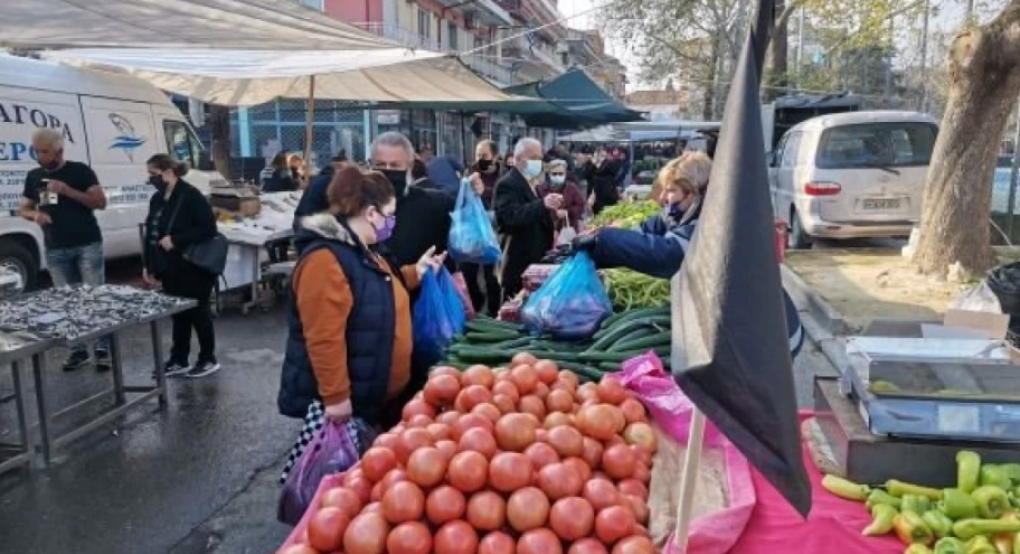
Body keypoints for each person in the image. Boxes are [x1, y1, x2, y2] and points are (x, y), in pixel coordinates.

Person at [277, 165, 445, 482]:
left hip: (371, 397)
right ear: (371, 213)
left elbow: (379, 288)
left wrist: (417, 272)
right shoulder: (325, 261)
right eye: (390, 215)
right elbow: (324, 338)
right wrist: (337, 399)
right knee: (339, 486)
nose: (392, 223)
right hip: (348, 404)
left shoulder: (366, 249)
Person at [572, 152, 805, 359]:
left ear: (694, 192)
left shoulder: (715, 222)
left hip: (765, 335)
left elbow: (667, 254)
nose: (663, 197)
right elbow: (650, 230)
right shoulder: (685, 211)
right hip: (732, 326)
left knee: (743, 400)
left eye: (671, 190)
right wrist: (601, 237)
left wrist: (605, 241)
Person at [20, 128, 111, 371]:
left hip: (87, 244)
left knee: (93, 298)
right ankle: (78, 350)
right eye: (37, 151)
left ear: (59, 151)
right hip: (55, 249)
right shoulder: (34, 176)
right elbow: (24, 208)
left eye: (45, 152)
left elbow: (100, 203)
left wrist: (67, 190)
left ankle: (103, 348)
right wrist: (35, 214)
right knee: (68, 301)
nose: (40, 156)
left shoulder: (80, 171)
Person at [142, 154, 222, 378]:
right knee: (178, 313)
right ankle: (179, 357)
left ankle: (208, 357)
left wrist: (177, 240)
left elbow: (208, 228)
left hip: (193, 265)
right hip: (169, 266)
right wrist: (148, 264)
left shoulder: (191, 196)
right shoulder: (157, 199)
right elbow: (151, 231)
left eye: (153, 174)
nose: (150, 179)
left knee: (198, 310)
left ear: (168, 172)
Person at [493, 137, 562, 301]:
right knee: (514, 304)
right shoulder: (507, 183)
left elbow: (535, 211)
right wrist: (542, 204)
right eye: (533, 158)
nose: (538, 163)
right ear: (518, 159)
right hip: (519, 259)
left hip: (535, 256)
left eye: (540, 158)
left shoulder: (531, 181)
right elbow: (511, 216)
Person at [462, 140, 503, 315]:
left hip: (493, 232)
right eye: (478, 155)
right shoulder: (470, 172)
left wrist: (484, 191)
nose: (480, 159)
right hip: (472, 231)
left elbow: (502, 199)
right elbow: (461, 198)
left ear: (494, 157)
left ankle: (493, 312)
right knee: (468, 273)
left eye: (484, 155)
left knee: (491, 275)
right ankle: (476, 304)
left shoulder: (503, 176)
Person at [292, 152, 347, 231]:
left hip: (298, 221)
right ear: (338, 167)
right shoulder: (332, 180)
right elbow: (337, 208)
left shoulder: (318, 178)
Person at [537, 159, 585, 231]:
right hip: (547, 229)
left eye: (560, 173)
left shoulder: (572, 187)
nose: (557, 176)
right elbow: (538, 209)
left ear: (565, 174)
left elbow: (580, 205)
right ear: (549, 174)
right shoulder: (541, 189)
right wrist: (554, 214)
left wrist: (568, 212)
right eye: (554, 174)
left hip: (568, 228)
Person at [588, 147, 622, 215]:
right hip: (599, 202)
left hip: (606, 202)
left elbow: (607, 191)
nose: (599, 159)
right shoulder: (593, 168)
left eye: (603, 156)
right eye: (597, 156)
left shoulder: (608, 167)